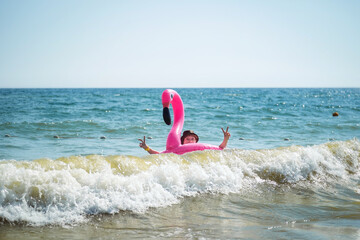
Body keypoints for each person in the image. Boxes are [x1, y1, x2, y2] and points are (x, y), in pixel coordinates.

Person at [138, 127, 231, 154]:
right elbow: (159, 155)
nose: (190, 141)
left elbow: (220, 149)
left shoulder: (201, 150)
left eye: (192, 139)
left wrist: (225, 139)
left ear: (196, 141)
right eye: (187, 139)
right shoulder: (178, 150)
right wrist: (147, 148)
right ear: (182, 142)